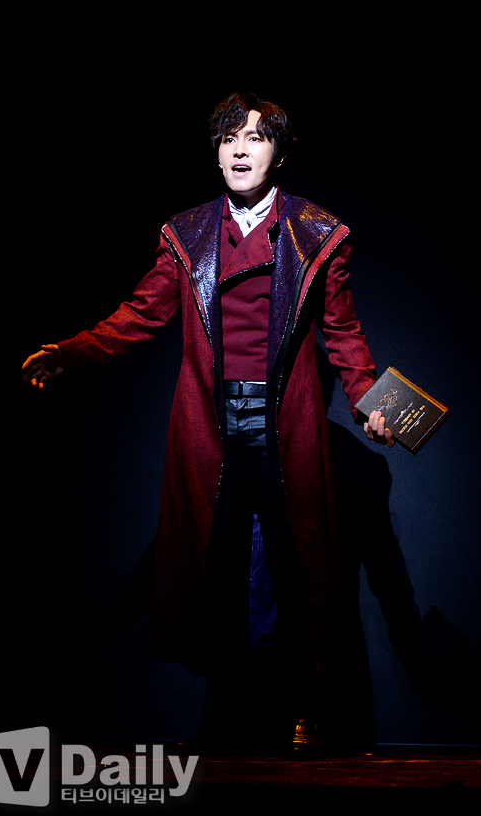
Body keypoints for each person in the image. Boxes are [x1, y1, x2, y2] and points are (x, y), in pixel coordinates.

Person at [22, 90, 394, 756]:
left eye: (255, 137)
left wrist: (369, 399)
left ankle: (311, 706)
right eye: (229, 138)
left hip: (285, 426)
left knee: (298, 566)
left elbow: (343, 333)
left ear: (280, 152)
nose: (240, 150)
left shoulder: (318, 231)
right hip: (211, 427)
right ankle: (226, 713)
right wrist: (71, 353)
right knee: (216, 564)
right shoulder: (188, 232)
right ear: (217, 152)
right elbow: (140, 313)